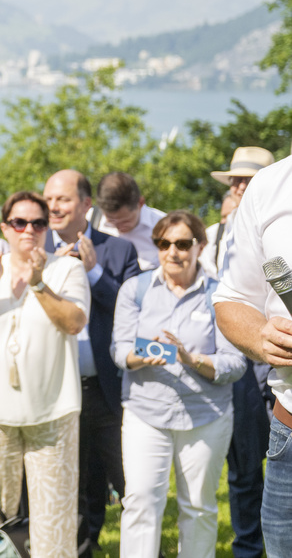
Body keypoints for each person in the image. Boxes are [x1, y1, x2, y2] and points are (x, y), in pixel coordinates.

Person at [0, 191, 89, 558]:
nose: (28, 229)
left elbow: (75, 322)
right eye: (19, 222)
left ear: (47, 228)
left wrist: (39, 283)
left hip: (52, 410)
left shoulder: (68, 269)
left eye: (38, 223)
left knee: (54, 514)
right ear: (5, 228)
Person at [112, 210, 245, 558]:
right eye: (164, 243)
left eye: (183, 243)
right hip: (145, 412)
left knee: (199, 506)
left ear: (200, 246)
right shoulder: (135, 289)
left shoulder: (220, 296)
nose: (173, 251)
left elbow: (235, 363)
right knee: (140, 501)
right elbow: (119, 350)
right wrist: (141, 357)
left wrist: (192, 359)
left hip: (206, 414)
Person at [41, 169, 139, 551]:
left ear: (85, 204)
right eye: (48, 199)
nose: (53, 207)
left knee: (125, 475)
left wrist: (92, 271)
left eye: (62, 199)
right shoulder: (37, 251)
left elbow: (130, 310)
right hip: (54, 386)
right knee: (71, 479)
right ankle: (79, 547)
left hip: (104, 386)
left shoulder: (118, 251)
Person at [213, 152, 292, 555]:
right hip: (289, 429)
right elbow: (231, 298)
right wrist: (262, 335)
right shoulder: (271, 186)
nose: (240, 185)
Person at [203, 146, 276, 558]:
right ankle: (248, 546)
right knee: (244, 462)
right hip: (237, 356)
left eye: (248, 178)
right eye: (235, 179)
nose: (240, 185)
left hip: (281, 353)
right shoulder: (213, 236)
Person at [93, 172, 165, 272]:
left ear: (140, 203)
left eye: (126, 221)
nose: (119, 227)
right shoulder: (91, 220)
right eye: (111, 221)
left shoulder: (164, 226)